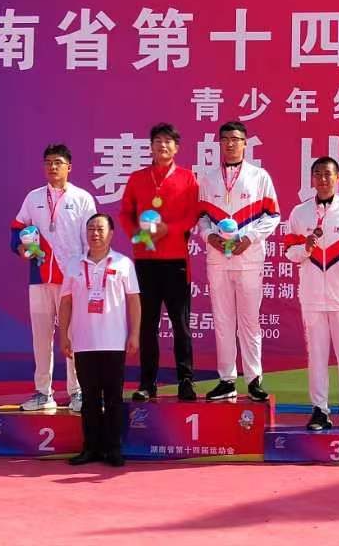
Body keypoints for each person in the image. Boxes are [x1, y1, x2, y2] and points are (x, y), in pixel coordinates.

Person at [284, 157, 339, 432]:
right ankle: (319, 411)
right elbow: (290, 252)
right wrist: (306, 248)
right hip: (312, 297)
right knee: (316, 356)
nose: (323, 179)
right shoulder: (299, 213)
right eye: (318, 174)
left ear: (337, 178)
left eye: (328, 174)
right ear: (311, 179)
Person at [10, 144, 96, 412]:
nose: (52, 167)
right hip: (40, 276)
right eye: (48, 162)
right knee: (41, 337)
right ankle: (42, 392)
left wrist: (88, 274)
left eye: (58, 162)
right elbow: (17, 228)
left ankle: (77, 392)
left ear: (69, 167)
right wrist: (20, 247)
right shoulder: (33, 197)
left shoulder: (82, 198)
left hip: (72, 278)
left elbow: (93, 237)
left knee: (73, 336)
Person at [198, 121, 280, 401]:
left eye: (235, 139)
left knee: (249, 321)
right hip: (218, 258)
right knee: (222, 320)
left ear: (245, 143)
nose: (230, 144)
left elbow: (273, 215)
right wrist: (209, 236)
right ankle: (227, 379)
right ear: (219, 143)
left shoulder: (259, 177)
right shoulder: (208, 178)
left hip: (249, 258)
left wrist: (250, 238)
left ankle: (254, 379)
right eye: (225, 139)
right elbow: (201, 217)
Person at [119, 123, 199, 402]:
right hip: (146, 261)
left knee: (181, 325)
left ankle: (186, 381)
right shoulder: (138, 178)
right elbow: (125, 213)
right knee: (147, 325)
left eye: (168, 141)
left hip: (176, 261)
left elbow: (193, 215)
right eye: (157, 141)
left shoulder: (188, 178)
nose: (162, 145)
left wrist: (169, 230)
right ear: (151, 147)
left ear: (176, 148)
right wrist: (137, 235)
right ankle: (147, 383)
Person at [59, 213, 140, 467]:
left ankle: (113, 449)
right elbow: (66, 302)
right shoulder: (74, 264)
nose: (95, 233)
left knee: (114, 397)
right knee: (89, 399)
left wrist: (134, 334)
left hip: (114, 341)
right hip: (83, 342)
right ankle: (91, 448)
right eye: (91, 229)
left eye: (100, 229)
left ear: (111, 233)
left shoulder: (123, 263)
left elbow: (134, 301)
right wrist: (63, 335)